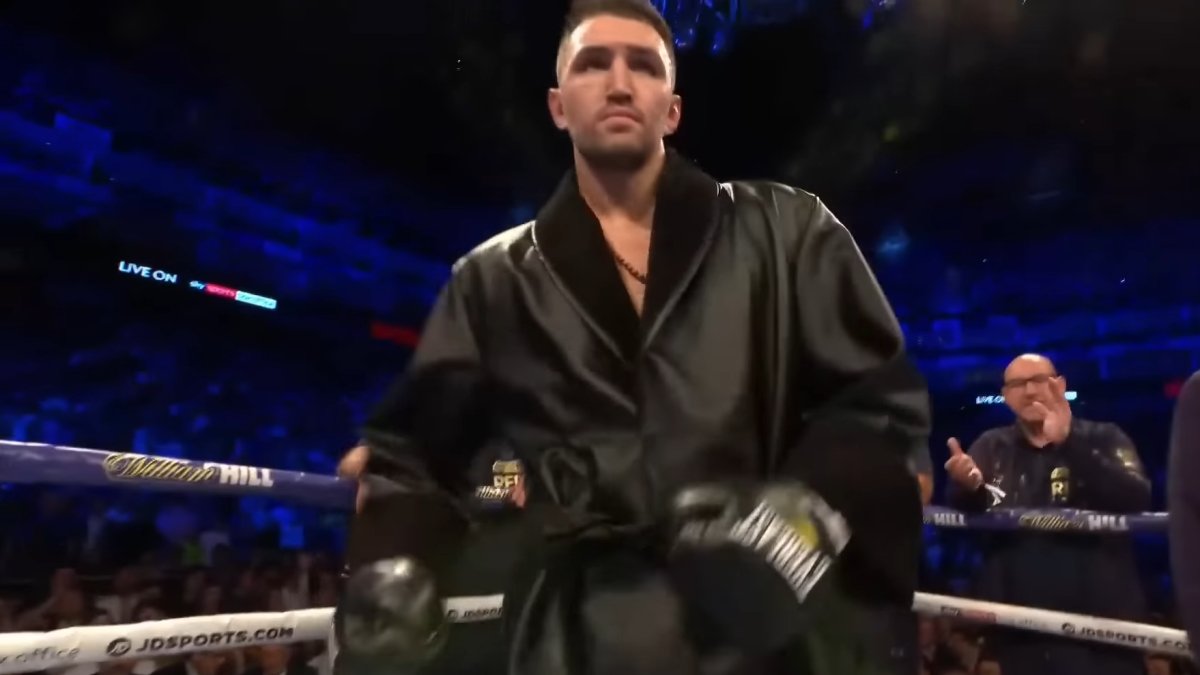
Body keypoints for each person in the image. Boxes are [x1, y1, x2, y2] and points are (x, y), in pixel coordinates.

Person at [335, 0, 932, 673]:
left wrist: (803, 515)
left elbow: (881, 408)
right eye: (594, 64)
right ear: (558, 106)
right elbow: (414, 455)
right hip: (574, 638)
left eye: (643, 66)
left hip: (758, 623)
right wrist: (392, 569)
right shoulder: (490, 277)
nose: (619, 84)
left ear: (671, 110)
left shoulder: (790, 231)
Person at [944, 354, 1150, 675]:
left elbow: (1135, 496)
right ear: (1006, 395)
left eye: (1038, 380)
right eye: (1018, 384)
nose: (1029, 391)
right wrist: (967, 488)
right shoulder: (992, 446)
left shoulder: (1104, 437)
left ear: (1060, 385)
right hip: (1020, 631)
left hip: (1102, 632)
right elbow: (964, 509)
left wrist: (1069, 443)